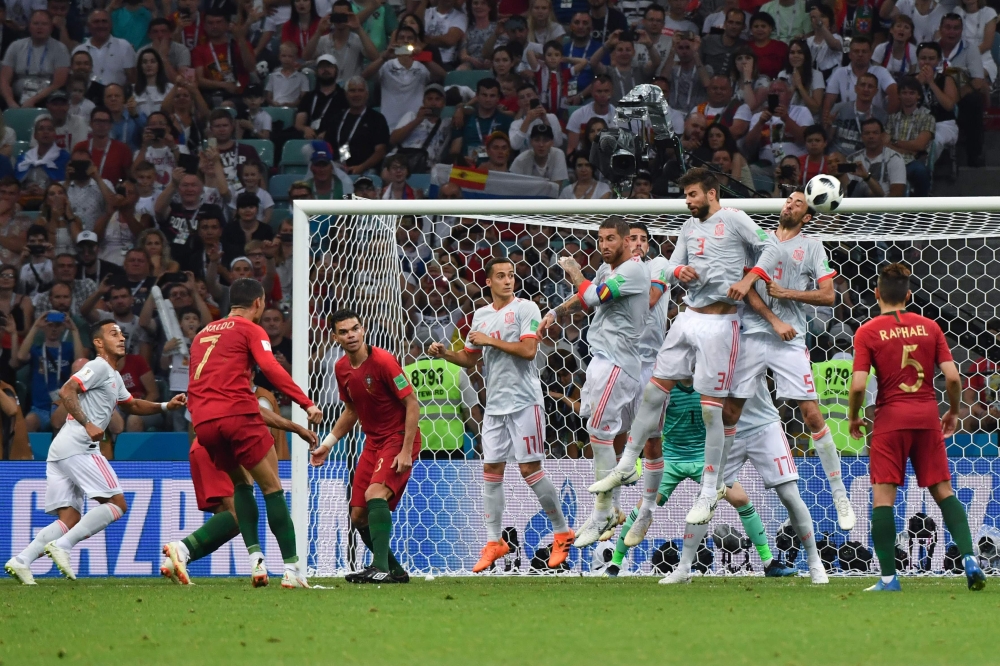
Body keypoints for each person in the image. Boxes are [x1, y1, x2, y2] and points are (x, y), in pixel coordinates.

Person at [586, 168, 779, 527]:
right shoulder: (689, 228)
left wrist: (750, 278)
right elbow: (674, 265)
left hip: (722, 324)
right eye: (685, 196)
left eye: (692, 195)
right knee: (654, 392)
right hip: (688, 317)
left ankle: (709, 490)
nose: (688, 202)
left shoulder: (734, 219)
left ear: (711, 192)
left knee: (711, 412)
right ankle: (627, 464)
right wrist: (679, 273)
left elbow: (770, 246)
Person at [3, 319, 186, 584]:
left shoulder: (112, 374)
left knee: (70, 517)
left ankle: (21, 560)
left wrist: (166, 405)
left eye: (122, 334)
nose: (122, 338)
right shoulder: (98, 366)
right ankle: (63, 546)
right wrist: (87, 422)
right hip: (79, 445)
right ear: (99, 343)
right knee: (117, 504)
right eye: (114, 334)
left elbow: (132, 405)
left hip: (62, 448)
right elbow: (68, 390)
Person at [427, 258, 574, 571]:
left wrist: (490, 340)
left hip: (524, 402)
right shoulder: (480, 316)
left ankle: (562, 532)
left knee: (530, 471)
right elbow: (469, 359)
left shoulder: (526, 309)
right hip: (494, 406)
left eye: (511, 276)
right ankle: (495, 541)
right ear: (489, 282)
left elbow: (528, 351)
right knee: (491, 472)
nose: (508, 281)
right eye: (501, 276)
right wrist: (445, 354)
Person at [848, 263, 986, 592]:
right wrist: (952, 410)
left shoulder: (867, 332)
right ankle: (968, 557)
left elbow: (857, 385)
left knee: (883, 499)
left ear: (877, 293)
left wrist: (854, 416)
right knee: (943, 492)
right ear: (909, 295)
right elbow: (953, 377)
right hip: (926, 416)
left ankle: (888, 578)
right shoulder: (931, 327)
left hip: (890, 420)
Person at [186, 278, 321, 588]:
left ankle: (256, 562)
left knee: (240, 486)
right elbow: (270, 368)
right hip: (237, 415)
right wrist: (305, 403)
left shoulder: (201, 335)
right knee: (271, 487)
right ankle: (292, 570)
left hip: (204, 423)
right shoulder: (250, 329)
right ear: (258, 302)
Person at [736, 189, 856, 528]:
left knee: (811, 413)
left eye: (798, 203)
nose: (789, 204)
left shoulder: (813, 246)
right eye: (787, 199)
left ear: (807, 216)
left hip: (791, 340)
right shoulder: (758, 241)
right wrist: (773, 319)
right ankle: (714, 486)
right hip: (753, 334)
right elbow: (747, 290)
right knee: (730, 408)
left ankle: (838, 493)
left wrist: (787, 294)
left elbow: (830, 295)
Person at [534, 217, 649, 546]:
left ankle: (604, 512)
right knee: (603, 432)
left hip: (618, 361)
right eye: (600, 239)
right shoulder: (607, 270)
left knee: (599, 430)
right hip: (603, 360)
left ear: (627, 241)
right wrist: (555, 313)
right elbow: (585, 300)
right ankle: (609, 507)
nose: (604, 245)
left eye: (611, 239)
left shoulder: (634, 271)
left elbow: (594, 295)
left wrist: (573, 269)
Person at [657, 374, 828, 584]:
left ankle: (814, 562)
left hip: (764, 426)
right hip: (726, 431)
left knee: (789, 494)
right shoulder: (709, 346)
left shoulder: (755, 341)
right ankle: (683, 569)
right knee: (705, 497)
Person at [310, 309, 417, 584]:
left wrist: (406, 450)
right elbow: (351, 411)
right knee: (358, 516)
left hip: (397, 437)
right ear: (335, 337)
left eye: (355, 328)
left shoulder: (384, 361)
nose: (351, 335)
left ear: (363, 329)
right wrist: (328, 443)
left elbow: (412, 403)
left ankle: (378, 567)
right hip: (373, 442)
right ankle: (394, 571)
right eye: (344, 332)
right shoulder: (341, 369)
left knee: (374, 494)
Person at [159, 402, 317, 585]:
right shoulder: (247, 408)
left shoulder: (218, 391)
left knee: (234, 520)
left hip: (204, 444)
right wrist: (297, 427)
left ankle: (178, 558)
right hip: (218, 446)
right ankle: (183, 548)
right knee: (240, 512)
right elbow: (272, 487)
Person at [14, 302, 85, 432]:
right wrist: (35, 326)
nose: (53, 329)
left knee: (64, 425)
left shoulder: (68, 348)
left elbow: (80, 362)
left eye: (57, 326)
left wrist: (74, 330)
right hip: (39, 409)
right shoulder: (37, 350)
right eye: (50, 325)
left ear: (62, 327)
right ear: (44, 327)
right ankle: (26, 453)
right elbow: (21, 356)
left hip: (62, 406)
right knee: (28, 422)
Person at [937, 13, 987, 167]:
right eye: (948, 27)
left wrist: (955, 98)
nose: (952, 32)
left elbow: (978, 80)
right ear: (940, 29)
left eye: (956, 28)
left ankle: (974, 154)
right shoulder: (931, 47)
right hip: (934, 95)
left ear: (962, 30)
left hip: (961, 97)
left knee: (975, 100)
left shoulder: (970, 49)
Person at [0, 10, 70, 109]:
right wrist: (10, 101)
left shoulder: (60, 48)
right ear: (29, 26)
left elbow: (58, 82)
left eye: (44, 24)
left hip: (46, 97)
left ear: (51, 27)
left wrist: (33, 100)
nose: (39, 27)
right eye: (36, 23)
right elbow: (4, 80)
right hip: (16, 97)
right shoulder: (15, 46)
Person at [320, 76, 390, 176]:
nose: (356, 94)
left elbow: (380, 151)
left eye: (360, 90)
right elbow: (329, 145)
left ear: (367, 94)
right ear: (346, 94)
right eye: (352, 91)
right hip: (339, 169)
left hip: (366, 170)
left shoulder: (377, 119)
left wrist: (361, 167)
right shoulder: (337, 118)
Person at [822, 35, 899, 119]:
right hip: (848, 121)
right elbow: (828, 102)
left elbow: (894, 92)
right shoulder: (840, 72)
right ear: (849, 54)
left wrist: (887, 118)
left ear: (870, 54)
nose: (860, 54)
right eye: (856, 51)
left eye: (864, 51)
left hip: (874, 122)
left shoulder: (881, 71)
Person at [192, 7, 256, 103]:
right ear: (204, 26)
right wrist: (224, 85)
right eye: (210, 23)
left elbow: (251, 68)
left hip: (240, 96)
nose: (214, 26)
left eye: (219, 22)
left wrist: (240, 39)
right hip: (211, 95)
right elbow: (199, 80)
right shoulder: (199, 50)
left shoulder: (241, 44)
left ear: (227, 25)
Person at [885, 76, 934, 196]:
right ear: (899, 96)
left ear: (918, 96)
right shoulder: (892, 118)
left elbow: (920, 145)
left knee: (921, 171)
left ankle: (919, 210)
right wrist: (906, 149)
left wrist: (894, 142)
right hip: (891, 159)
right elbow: (884, 143)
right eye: (904, 93)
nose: (908, 96)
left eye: (912, 93)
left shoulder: (927, 117)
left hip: (913, 161)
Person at [308, 2, 379, 84]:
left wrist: (358, 28)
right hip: (328, 86)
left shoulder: (358, 39)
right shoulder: (323, 40)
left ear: (350, 16)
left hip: (351, 88)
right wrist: (318, 32)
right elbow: (306, 56)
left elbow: (375, 57)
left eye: (343, 15)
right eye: (336, 15)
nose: (339, 19)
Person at [389, 82, 452, 173]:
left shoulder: (446, 123)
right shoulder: (411, 116)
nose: (433, 103)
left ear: (444, 103)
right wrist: (418, 120)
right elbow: (393, 139)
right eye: (429, 99)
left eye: (437, 99)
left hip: (428, 167)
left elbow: (468, 110)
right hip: (401, 161)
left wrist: (459, 109)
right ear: (423, 101)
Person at [450, 77, 512, 166]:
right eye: (484, 95)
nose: (488, 99)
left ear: (498, 97)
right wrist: (462, 160)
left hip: (495, 170)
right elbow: (455, 150)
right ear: (477, 96)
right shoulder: (464, 118)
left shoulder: (507, 121)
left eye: (492, 96)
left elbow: (510, 153)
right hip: (468, 169)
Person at [588, 29, 661, 104]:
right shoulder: (608, 72)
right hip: (614, 113)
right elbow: (593, 62)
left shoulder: (640, 70)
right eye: (620, 50)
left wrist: (649, 45)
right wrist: (608, 44)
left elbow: (656, 62)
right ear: (614, 53)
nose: (624, 53)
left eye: (628, 50)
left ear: (633, 52)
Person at [825, 72, 887, 156]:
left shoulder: (881, 115)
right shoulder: (839, 108)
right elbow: (827, 139)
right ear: (855, 88)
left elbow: (879, 147)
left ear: (876, 91)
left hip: (863, 161)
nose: (866, 89)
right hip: (837, 159)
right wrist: (828, 126)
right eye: (862, 85)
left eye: (870, 86)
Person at [72, 9, 136, 88]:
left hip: (116, 98)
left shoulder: (124, 46)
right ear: (88, 26)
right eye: (96, 22)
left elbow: (133, 79)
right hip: (86, 98)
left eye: (104, 21)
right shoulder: (79, 50)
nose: (101, 25)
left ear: (111, 24)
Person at [848, 117, 907, 197]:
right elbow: (848, 191)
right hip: (858, 205)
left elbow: (897, 194)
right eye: (867, 133)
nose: (871, 136)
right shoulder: (852, 159)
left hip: (885, 205)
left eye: (875, 133)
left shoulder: (894, 158)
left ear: (882, 136)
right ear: (861, 137)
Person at [73, 106, 133, 184]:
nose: (101, 125)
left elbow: (128, 178)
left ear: (111, 125)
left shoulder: (122, 149)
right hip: (85, 192)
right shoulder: (80, 147)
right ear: (90, 124)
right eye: (97, 121)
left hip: (113, 193)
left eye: (105, 121)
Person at [16, 116, 69, 196]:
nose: (45, 132)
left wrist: (46, 193)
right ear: (35, 135)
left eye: (50, 129)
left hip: (51, 199)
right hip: (25, 198)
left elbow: (67, 186)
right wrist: (25, 192)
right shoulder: (24, 158)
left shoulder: (64, 157)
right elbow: (14, 186)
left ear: (55, 134)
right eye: (41, 129)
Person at [565, 74, 615, 154]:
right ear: (592, 92)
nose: (602, 95)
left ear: (612, 92)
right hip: (584, 159)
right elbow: (571, 149)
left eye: (606, 91)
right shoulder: (578, 115)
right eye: (599, 91)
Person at [700, 8, 747, 76]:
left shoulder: (744, 47)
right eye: (730, 22)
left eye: (738, 23)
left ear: (744, 27)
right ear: (724, 24)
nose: (733, 26)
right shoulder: (707, 41)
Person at [872, 15, 919, 83]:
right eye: (899, 26)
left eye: (906, 27)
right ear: (891, 30)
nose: (902, 29)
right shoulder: (881, 48)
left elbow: (913, 78)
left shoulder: (914, 51)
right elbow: (875, 75)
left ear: (910, 34)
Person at [423, 0, 467, 69]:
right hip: (423, 59)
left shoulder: (460, 16)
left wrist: (425, 39)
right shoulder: (426, 13)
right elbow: (415, 32)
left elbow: (449, 40)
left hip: (445, 62)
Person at [132, 48, 174, 116]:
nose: (149, 65)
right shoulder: (132, 89)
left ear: (159, 65)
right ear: (140, 66)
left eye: (153, 61)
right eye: (145, 62)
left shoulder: (170, 88)